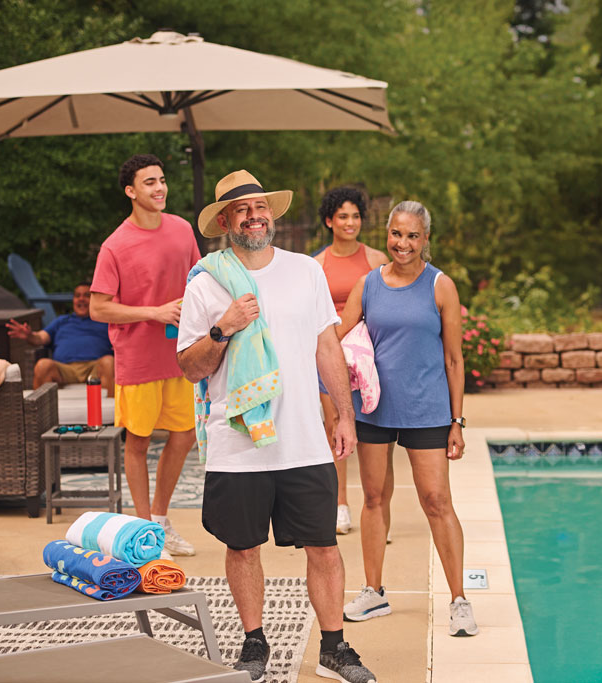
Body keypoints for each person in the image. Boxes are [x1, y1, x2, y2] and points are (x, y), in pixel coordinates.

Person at [176, 170, 378, 683]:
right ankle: (253, 642)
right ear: (225, 221)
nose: (254, 215)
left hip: (304, 439)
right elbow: (191, 367)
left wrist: (344, 415)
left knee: (324, 546)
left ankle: (333, 648)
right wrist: (224, 327)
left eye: (260, 206)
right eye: (242, 209)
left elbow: (326, 346)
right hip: (237, 441)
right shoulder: (206, 281)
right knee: (242, 546)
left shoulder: (303, 272)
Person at [337, 200, 478, 637]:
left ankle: (459, 600)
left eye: (413, 236)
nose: (403, 243)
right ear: (388, 234)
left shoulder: (441, 286)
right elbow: (338, 341)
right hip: (375, 409)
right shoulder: (367, 285)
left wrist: (457, 421)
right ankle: (374, 591)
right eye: (397, 234)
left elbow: (454, 359)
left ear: (426, 239)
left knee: (436, 501)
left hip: (427, 410)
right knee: (375, 497)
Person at [89, 153, 200, 559]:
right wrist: (152, 313)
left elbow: (199, 280)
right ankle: (143, 536)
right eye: (149, 182)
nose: (159, 188)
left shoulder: (183, 230)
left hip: (180, 355)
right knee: (136, 442)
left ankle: (160, 519)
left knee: (185, 435)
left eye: (162, 180)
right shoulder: (115, 245)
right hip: (137, 358)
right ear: (131, 192)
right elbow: (98, 308)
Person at [314, 187, 389, 536]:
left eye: (355, 216)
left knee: (377, 435)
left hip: (369, 359)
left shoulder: (375, 260)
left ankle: (379, 514)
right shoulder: (316, 265)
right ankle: (340, 505)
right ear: (329, 221)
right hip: (330, 356)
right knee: (336, 428)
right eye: (342, 216)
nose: (350, 222)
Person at [6, 281, 115, 395]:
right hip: (65, 370)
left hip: (95, 368)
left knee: (108, 362)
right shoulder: (61, 321)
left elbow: (118, 340)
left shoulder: (104, 321)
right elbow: (40, 338)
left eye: (86, 296)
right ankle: (38, 411)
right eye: (77, 296)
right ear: (73, 300)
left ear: (94, 300)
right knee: (43, 365)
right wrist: (30, 335)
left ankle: (110, 410)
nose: (81, 299)